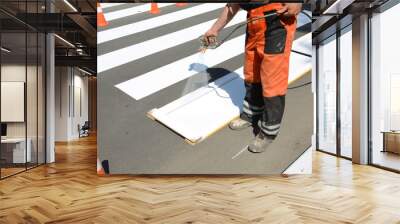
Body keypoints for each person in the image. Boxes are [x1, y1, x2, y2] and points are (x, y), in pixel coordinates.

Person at [203, 3, 302, 153]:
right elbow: (232, 5)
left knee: (272, 79)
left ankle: (269, 131)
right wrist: (214, 29)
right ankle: (251, 114)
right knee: (251, 71)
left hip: (276, 19)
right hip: (254, 20)